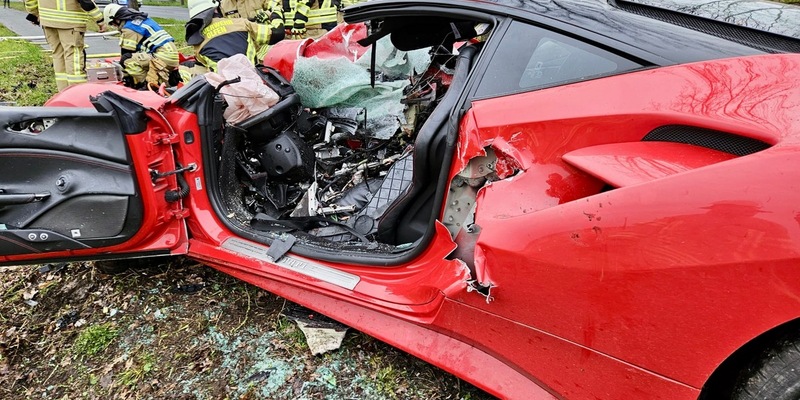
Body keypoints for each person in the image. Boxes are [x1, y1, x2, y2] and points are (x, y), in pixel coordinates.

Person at [25, 0, 106, 91]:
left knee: (58, 54)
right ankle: (77, 92)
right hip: (70, 21)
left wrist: (35, 13)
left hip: (47, 20)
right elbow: (85, 1)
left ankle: (63, 91)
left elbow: (30, 1)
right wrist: (99, 19)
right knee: (73, 55)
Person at [184, 0, 284, 74]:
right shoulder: (224, 4)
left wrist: (268, 15)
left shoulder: (198, 44)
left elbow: (277, 7)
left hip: (265, 45)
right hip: (244, 48)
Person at [103, 4, 180, 88]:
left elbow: (126, 54)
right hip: (172, 56)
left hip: (162, 56)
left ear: (117, 19)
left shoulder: (129, 28)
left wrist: (126, 77)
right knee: (137, 57)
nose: (114, 26)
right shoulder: (141, 20)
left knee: (126, 60)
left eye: (113, 23)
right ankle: (163, 80)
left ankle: (150, 84)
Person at [218, 0, 284, 61]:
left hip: (268, 43)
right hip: (246, 51)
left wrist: (267, 14)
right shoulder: (224, 5)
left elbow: (278, 6)